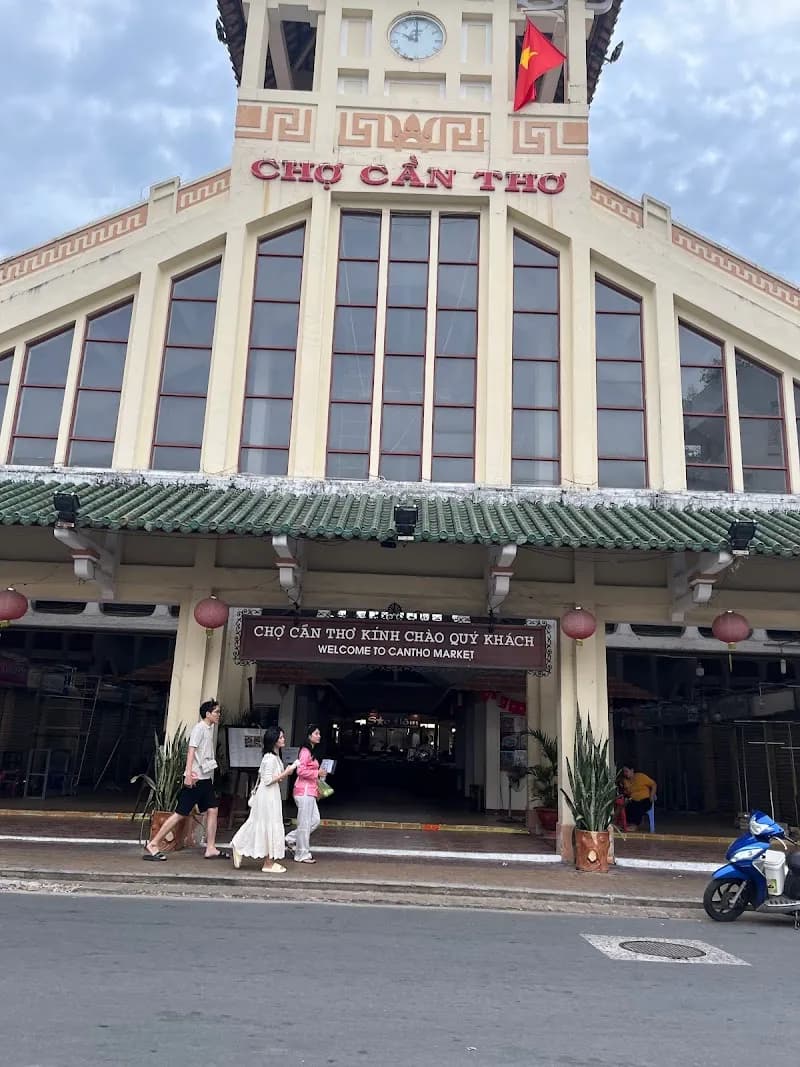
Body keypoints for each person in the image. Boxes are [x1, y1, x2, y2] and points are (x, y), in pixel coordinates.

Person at [144, 700, 225, 860]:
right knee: (181, 812)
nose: (218, 715)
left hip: (205, 778)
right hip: (196, 778)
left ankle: (210, 847)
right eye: (216, 712)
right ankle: (153, 843)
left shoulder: (209, 729)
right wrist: (188, 773)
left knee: (213, 809)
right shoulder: (199, 729)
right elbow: (191, 751)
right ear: (207, 714)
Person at [231, 726, 298, 873]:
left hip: (270, 794)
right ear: (273, 740)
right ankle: (267, 862)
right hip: (267, 796)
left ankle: (241, 846)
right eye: (280, 737)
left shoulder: (273, 757)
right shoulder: (270, 758)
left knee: (262, 824)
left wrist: (283, 774)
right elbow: (268, 780)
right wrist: (287, 772)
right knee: (268, 825)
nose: (283, 739)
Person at [284, 724, 326, 864]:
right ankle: (302, 854)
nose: (318, 736)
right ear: (309, 736)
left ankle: (290, 839)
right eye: (316, 733)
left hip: (310, 791)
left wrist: (320, 775)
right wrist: (317, 773)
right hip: (304, 791)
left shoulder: (311, 752)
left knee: (314, 821)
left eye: (319, 733)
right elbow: (300, 771)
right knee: (305, 823)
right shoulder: (305, 752)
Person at [621, 764, 657, 831]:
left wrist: (652, 795)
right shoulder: (626, 781)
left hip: (645, 800)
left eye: (626, 771)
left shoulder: (640, 776)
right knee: (627, 806)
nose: (625, 773)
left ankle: (635, 825)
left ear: (632, 770)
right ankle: (629, 824)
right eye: (624, 772)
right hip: (634, 800)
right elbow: (627, 793)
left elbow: (653, 784)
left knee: (638, 806)